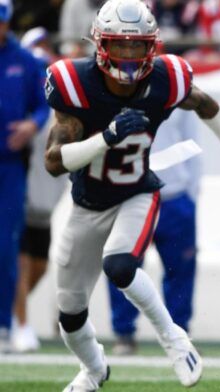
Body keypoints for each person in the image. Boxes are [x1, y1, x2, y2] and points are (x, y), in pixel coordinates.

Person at [43, 0, 220, 390]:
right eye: (119, 45)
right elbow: (55, 162)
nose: (128, 54)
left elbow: (206, 105)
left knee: (121, 267)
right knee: (70, 314)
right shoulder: (75, 83)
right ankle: (94, 370)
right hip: (87, 202)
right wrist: (106, 137)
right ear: (100, 44)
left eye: (137, 45)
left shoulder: (166, 77)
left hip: (136, 192)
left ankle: (174, 339)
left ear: (152, 47)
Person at [107, 108, 201, 356]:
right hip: (129, 194)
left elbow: (192, 139)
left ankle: (180, 332)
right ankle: (124, 332)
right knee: (122, 267)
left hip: (174, 195)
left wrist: (191, 192)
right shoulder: (118, 88)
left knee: (180, 268)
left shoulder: (177, 87)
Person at [12, 26, 67, 354]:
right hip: (20, 197)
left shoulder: (58, 114)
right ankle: (21, 323)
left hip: (44, 206)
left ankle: (8, 311)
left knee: (39, 266)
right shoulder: (27, 113)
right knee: (19, 263)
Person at [0, 0, 50, 353]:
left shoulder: (27, 61)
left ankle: (7, 323)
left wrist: (33, 124)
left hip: (10, 163)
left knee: (7, 245)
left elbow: (44, 103)